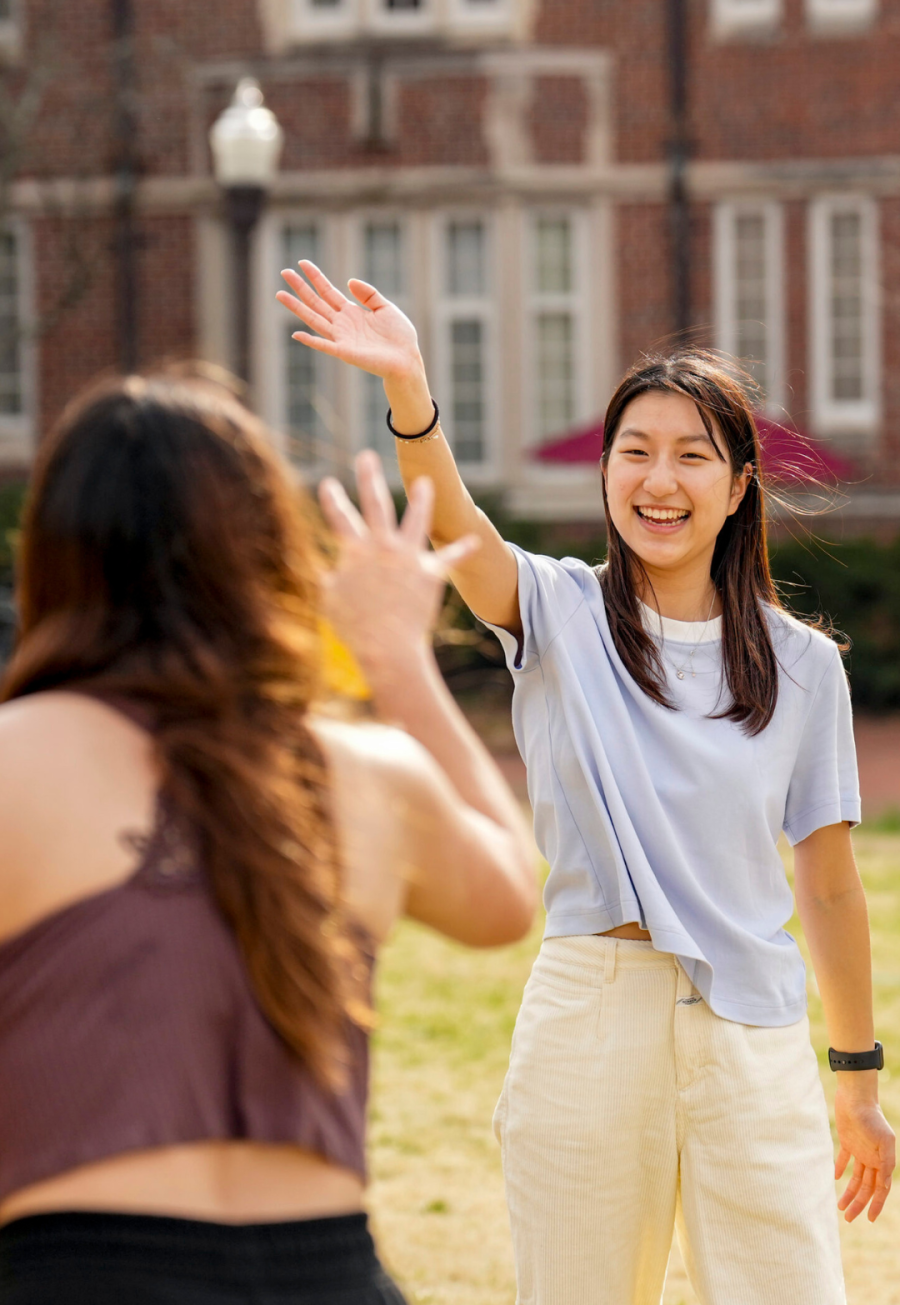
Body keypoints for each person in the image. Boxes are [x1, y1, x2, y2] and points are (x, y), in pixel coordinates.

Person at [277, 262, 896, 1305]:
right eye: (636, 453)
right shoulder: (560, 613)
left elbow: (830, 888)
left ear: (739, 485)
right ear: (605, 472)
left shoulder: (804, 667)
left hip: (752, 1032)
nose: (660, 481)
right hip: (592, 1015)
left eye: (692, 457)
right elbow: (455, 529)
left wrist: (860, 1081)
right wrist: (409, 389)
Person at [0, 367, 537, 1305]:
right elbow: (508, 892)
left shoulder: (16, 760)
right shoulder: (364, 772)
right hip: (328, 1276)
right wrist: (398, 662)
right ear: (269, 551)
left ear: (51, 557)